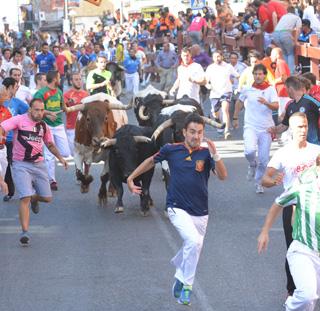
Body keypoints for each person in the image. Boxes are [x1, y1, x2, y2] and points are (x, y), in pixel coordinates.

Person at [127, 113, 227, 306]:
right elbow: (150, 161)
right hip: (176, 207)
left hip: (201, 212)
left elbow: (222, 176)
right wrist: (131, 178)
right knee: (193, 241)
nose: (195, 136)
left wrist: (216, 154)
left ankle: (180, 276)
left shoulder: (206, 153)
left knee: (194, 246)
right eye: (192, 132)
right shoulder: (171, 149)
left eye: (199, 132)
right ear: (184, 132)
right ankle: (187, 287)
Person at [262, 112, 320, 298]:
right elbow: (264, 179)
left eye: (304, 126)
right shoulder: (283, 153)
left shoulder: (315, 150)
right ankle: (292, 289)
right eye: (298, 127)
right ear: (291, 129)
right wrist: (273, 181)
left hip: (315, 204)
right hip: (293, 206)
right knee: (296, 248)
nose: (302, 130)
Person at [0, 98, 68, 246]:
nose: (39, 113)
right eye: (36, 110)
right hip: (21, 164)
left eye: (42, 110)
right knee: (24, 197)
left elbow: (49, 144)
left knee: (47, 198)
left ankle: (35, 199)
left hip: (39, 165)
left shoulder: (43, 125)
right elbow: (3, 126)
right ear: (30, 109)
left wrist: (61, 158)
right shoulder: (19, 120)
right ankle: (25, 232)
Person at [233, 64, 279, 193]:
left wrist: (266, 103)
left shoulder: (270, 89)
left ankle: (259, 182)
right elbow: (239, 102)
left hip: (266, 128)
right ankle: (252, 164)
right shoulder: (247, 89)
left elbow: (276, 106)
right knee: (249, 151)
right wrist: (235, 117)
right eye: (256, 74)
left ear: (264, 75)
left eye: (260, 74)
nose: (258, 76)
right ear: (253, 75)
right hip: (251, 126)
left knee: (264, 160)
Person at [33, 70, 70, 191]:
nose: (60, 79)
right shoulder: (41, 93)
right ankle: (52, 180)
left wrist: (70, 105)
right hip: (46, 126)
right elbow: (34, 110)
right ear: (55, 78)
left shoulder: (59, 91)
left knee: (65, 152)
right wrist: (47, 114)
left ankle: (49, 160)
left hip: (59, 124)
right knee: (49, 155)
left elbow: (63, 107)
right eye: (59, 77)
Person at [269, 76, 320, 146]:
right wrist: (274, 129)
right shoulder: (290, 106)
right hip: (298, 147)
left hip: (314, 146)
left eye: (286, 89)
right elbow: (284, 126)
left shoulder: (311, 101)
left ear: (290, 89)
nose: (286, 91)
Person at [3, 77, 29, 202]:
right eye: (16, 86)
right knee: (6, 166)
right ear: (10, 88)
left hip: (12, 140)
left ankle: (28, 188)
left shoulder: (17, 102)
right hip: (1, 141)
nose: (17, 88)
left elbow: (31, 112)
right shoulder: (1, 101)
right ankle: (10, 191)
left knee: (17, 165)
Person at [205, 50, 240, 139]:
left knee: (225, 109)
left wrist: (239, 87)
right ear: (212, 58)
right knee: (215, 113)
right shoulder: (210, 68)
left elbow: (238, 76)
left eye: (218, 56)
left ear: (222, 57)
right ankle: (217, 119)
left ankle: (227, 130)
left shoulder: (228, 67)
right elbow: (206, 80)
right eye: (215, 57)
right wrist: (207, 85)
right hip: (214, 93)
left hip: (226, 91)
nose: (217, 59)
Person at [63, 72, 89, 155]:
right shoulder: (66, 95)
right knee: (75, 154)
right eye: (76, 79)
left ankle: (85, 168)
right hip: (72, 128)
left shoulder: (86, 94)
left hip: (85, 128)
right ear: (71, 82)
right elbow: (62, 108)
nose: (79, 81)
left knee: (85, 154)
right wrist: (69, 102)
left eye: (80, 79)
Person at [272, 6, 302, 74]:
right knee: (290, 53)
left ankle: (285, 72)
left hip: (276, 34)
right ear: (295, 11)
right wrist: (296, 41)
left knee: (285, 53)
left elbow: (282, 28)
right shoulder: (297, 18)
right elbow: (298, 29)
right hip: (285, 33)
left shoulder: (283, 17)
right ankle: (291, 73)